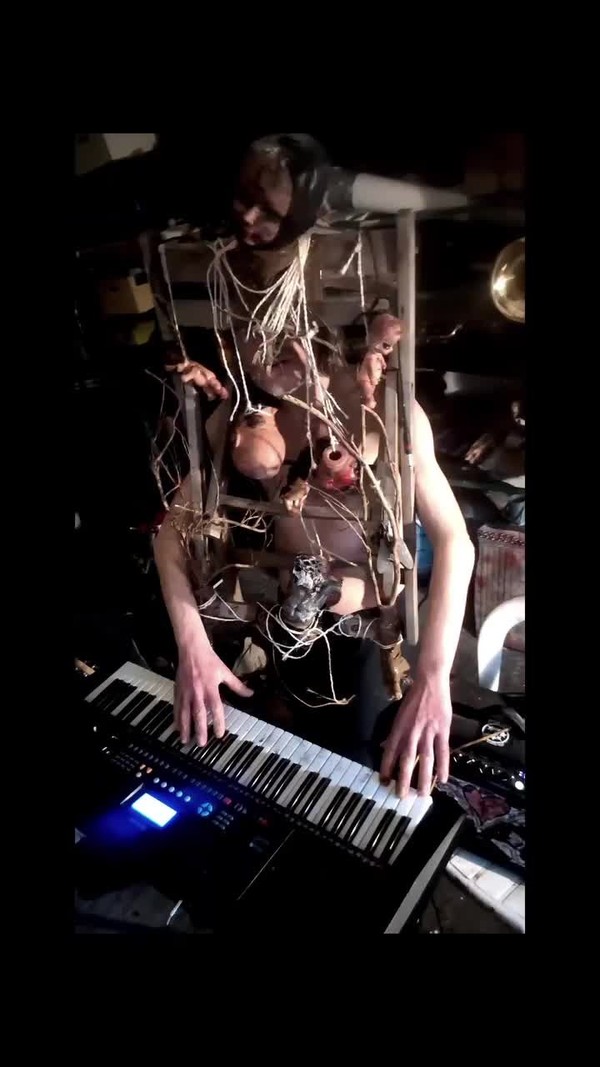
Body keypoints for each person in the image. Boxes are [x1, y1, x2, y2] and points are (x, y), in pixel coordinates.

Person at [154, 135, 475, 797]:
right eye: (249, 331)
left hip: (356, 623)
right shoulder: (237, 413)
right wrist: (192, 645)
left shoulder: (381, 410)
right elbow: (169, 533)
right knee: (227, 755)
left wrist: (434, 678)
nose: (265, 345)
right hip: (265, 609)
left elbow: (455, 541)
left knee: (362, 767)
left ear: (313, 316)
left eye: (279, 324)